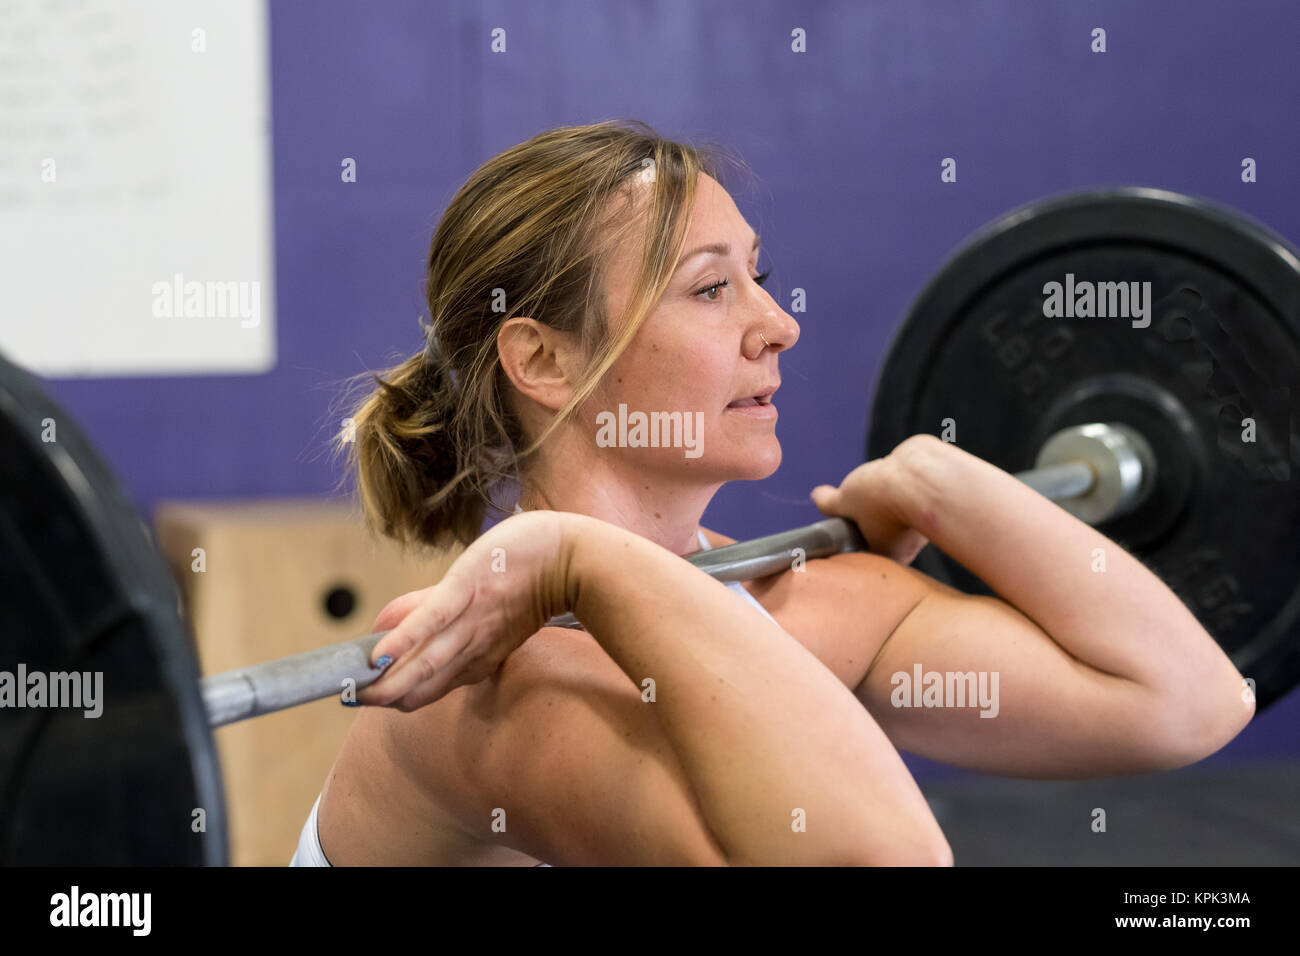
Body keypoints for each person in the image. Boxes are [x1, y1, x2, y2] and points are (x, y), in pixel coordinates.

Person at [293, 120, 1253, 867]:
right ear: (542, 357)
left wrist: (941, 482)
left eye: (761, 277)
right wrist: (581, 558)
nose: (779, 325)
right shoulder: (488, 689)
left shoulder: (797, 604)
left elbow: (1188, 702)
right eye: (710, 290)